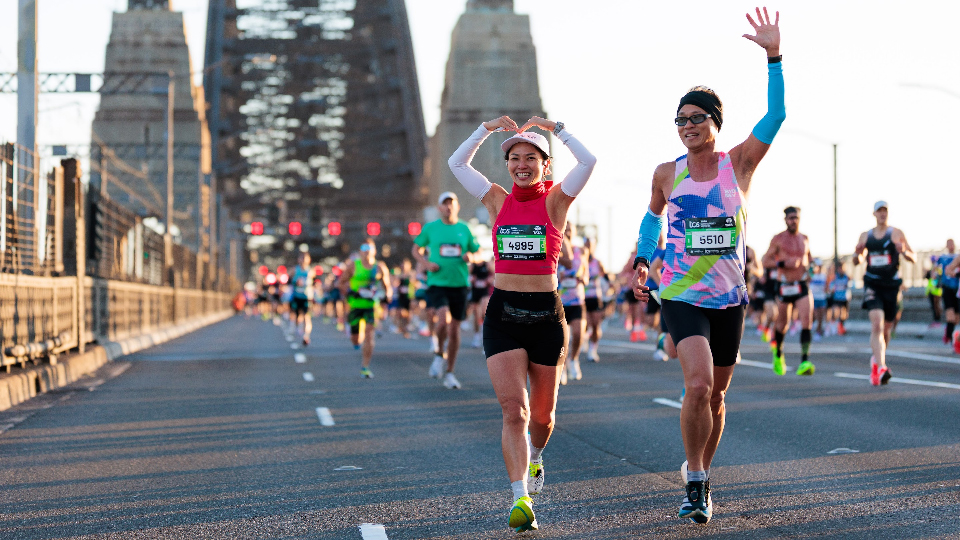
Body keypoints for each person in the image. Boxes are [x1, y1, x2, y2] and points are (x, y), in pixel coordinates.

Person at [632, 7, 784, 525]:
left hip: (729, 297)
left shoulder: (737, 164)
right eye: (680, 120)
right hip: (679, 292)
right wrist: (643, 260)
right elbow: (652, 221)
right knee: (696, 385)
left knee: (717, 396)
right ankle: (696, 483)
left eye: (697, 118)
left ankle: (700, 468)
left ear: (715, 123)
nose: (687, 126)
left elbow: (777, 117)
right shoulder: (665, 173)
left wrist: (774, 57)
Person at [448, 114, 595, 532]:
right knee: (515, 410)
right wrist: (486, 130)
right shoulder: (496, 199)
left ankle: (536, 456)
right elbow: (458, 165)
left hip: (547, 316)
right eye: (515, 158)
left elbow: (588, 163)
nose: (522, 164)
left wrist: (558, 129)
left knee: (544, 419)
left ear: (545, 165)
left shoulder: (556, 201)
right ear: (507, 164)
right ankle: (520, 499)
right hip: (504, 316)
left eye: (531, 157)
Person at [412, 192, 481, 390]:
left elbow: (477, 251)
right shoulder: (431, 228)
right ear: (439, 208)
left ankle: (450, 372)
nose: (449, 207)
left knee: (455, 329)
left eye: (452, 203)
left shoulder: (464, 229)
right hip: (437, 283)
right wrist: (426, 263)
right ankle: (438, 353)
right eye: (445, 204)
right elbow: (415, 249)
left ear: (457, 207)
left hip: (459, 284)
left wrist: (472, 257)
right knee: (443, 319)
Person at [852, 201, 916, 385]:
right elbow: (858, 260)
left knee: (886, 330)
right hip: (873, 284)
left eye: (885, 211)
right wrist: (857, 255)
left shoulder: (896, 233)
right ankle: (882, 367)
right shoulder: (866, 235)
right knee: (877, 326)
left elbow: (913, 257)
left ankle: (876, 361)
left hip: (891, 286)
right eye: (879, 211)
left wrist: (904, 252)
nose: (882, 214)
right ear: (874, 214)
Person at [762, 206, 816, 376]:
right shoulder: (778, 239)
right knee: (782, 324)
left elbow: (811, 260)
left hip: (801, 284)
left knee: (807, 320)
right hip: (785, 285)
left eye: (796, 218)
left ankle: (805, 361)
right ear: (785, 220)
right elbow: (765, 261)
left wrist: (811, 270)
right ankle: (778, 355)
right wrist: (784, 264)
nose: (794, 221)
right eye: (791, 218)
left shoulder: (805, 239)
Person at [340, 239, 392, 379]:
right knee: (356, 339)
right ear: (360, 251)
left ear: (374, 251)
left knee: (369, 334)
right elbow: (341, 282)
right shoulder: (353, 266)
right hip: (356, 306)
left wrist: (387, 296)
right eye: (364, 247)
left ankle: (365, 367)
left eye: (370, 247)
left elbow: (387, 286)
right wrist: (350, 292)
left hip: (371, 306)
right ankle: (356, 342)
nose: (367, 250)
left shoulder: (380, 267)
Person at [557, 222, 587, 382]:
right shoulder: (554, 248)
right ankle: (561, 366)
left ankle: (574, 359)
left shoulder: (581, 251)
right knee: (561, 339)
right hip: (559, 300)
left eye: (570, 229)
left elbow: (586, 272)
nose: (567, 232)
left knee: (577, 334)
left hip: (577, 299)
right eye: (565, 229)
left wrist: (584, 279)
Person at [583, 237, 611, 362]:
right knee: (586, 324)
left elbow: (606, 277)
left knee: (595, 325)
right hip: (582, 298)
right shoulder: (580, 261)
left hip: (595, 296)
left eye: (591, 245)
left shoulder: (597, 263)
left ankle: (592, 350)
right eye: (587, 244)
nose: (589, 247)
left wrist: (611, 287)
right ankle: (584, 340)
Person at [290, 252, 317, 346]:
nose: (304, 260)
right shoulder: (295, 270)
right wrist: (296, 282)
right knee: (298, 316)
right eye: (302, 258)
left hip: (307, 297)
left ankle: (306, 336)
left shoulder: (311, 271)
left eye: (306, 258)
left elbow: (316, 283)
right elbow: (288, 281)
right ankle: (298, 328)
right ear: (299, 259)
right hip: (297, 296)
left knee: (307, 316)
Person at [468, 254, 494, 348]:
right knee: (476, 315)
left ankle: (485, 336)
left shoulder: (486, 265)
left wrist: (488, 280)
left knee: (484, 313)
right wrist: (471, 279)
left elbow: (494, 274)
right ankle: (476, 336)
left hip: (484, 291)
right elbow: (467, 275)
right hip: (475, 291)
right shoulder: (472, 266)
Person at [936, 239, 958, 346]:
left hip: (957, 290)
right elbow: (939, 269)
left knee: (956, 318)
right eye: (949, 244)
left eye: (952, 243)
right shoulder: (943, 257)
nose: (951, 246)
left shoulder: (956, 255)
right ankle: (949, 337)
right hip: (947, 288)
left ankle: (951, 333)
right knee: (950, 316)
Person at [829, 260, 852, 335]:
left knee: (844, 314)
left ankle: (841, 327)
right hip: (837, 297)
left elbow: (850, 285)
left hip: (844, 298)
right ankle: (833, 326)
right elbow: (831, 286)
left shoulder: (847, 277)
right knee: (835, 312)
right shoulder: (835, 277)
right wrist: (832, 289)